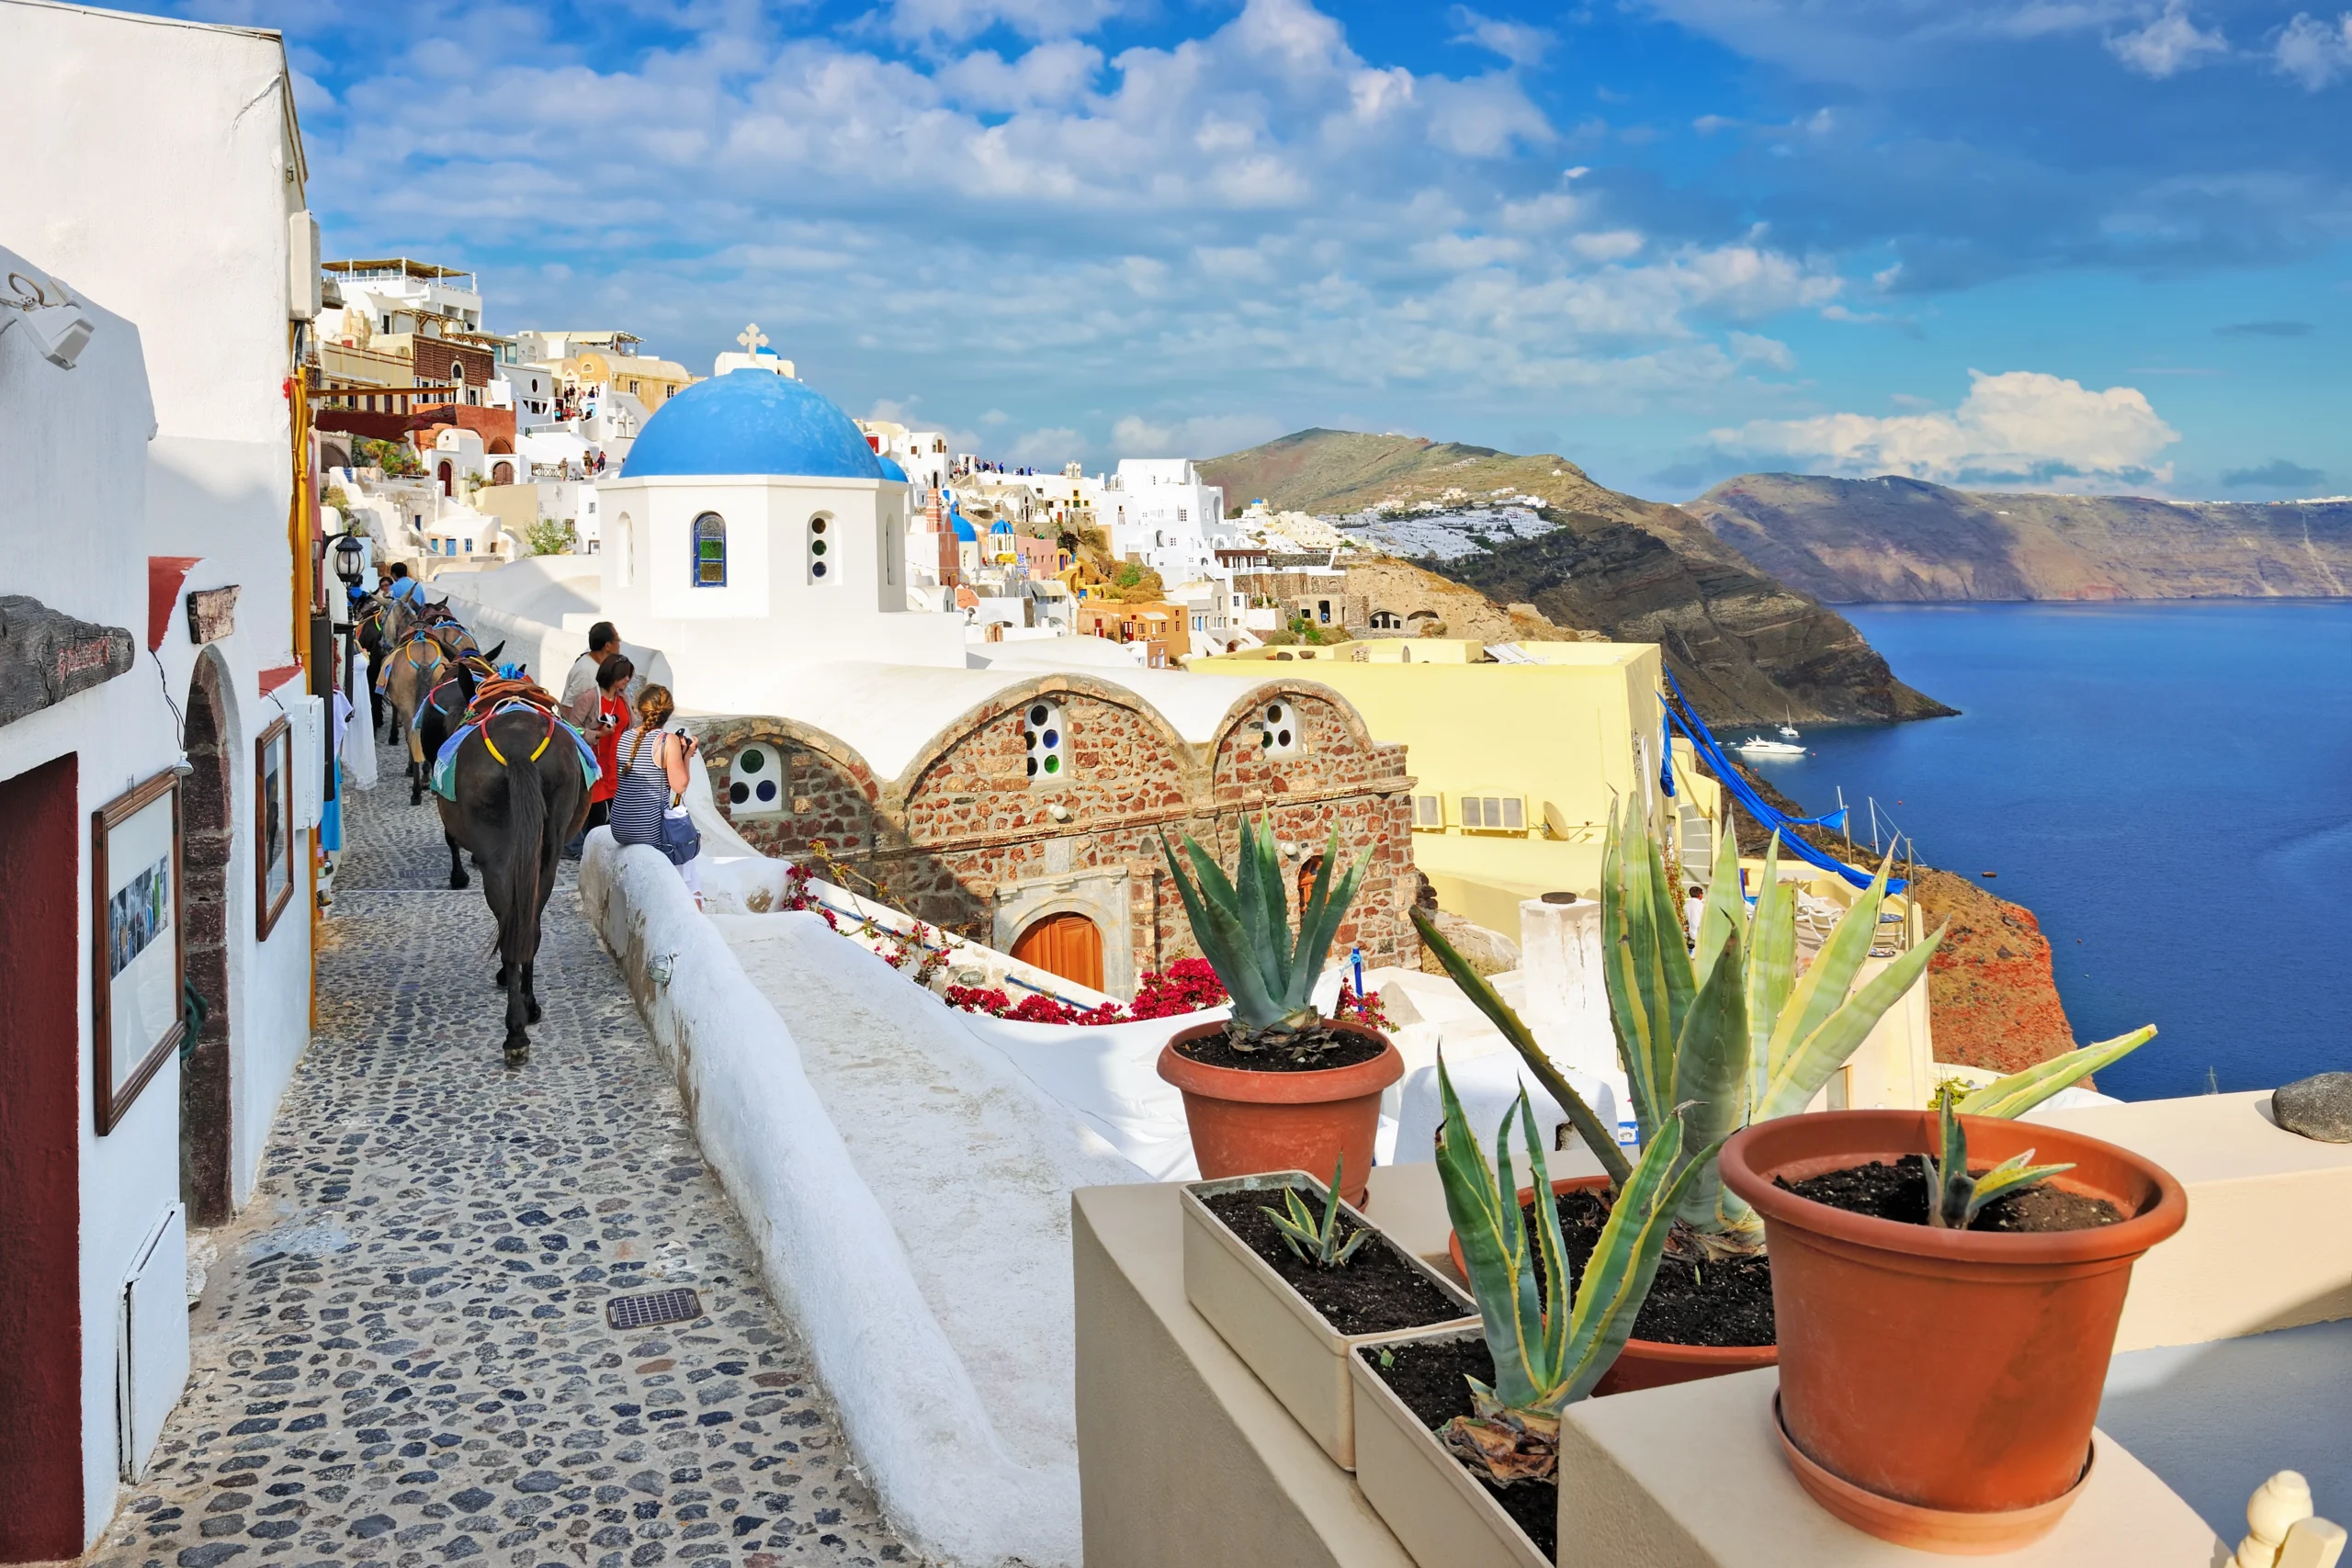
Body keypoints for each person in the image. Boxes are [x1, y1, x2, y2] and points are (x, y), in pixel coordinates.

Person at [610, 683, 703, 905]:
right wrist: (686, 755)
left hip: (619, 826)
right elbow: (680, 786)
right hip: (647, 831)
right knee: (688, 851)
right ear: (668, 712)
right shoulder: (667, 740)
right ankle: (695, 908)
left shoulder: (624, 737)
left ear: (639, 709)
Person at [565, 653, 633, 858]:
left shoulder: (623, 699)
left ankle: (601, 852)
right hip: (594, 765)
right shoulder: (588, 698)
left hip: (616, 765)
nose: (627, 679)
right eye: (624, 675)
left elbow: (630, 726)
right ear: (612, 675)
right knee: (596, 813)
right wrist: (598, 734)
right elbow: (572, 729)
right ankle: (588, 853)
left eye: (628, 675)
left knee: (616, 812)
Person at [562, 622, 619, 725]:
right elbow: (568, 709)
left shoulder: (597, 665)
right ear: (607, 646)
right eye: (617, 640)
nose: (619, 644)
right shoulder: (587, 672)